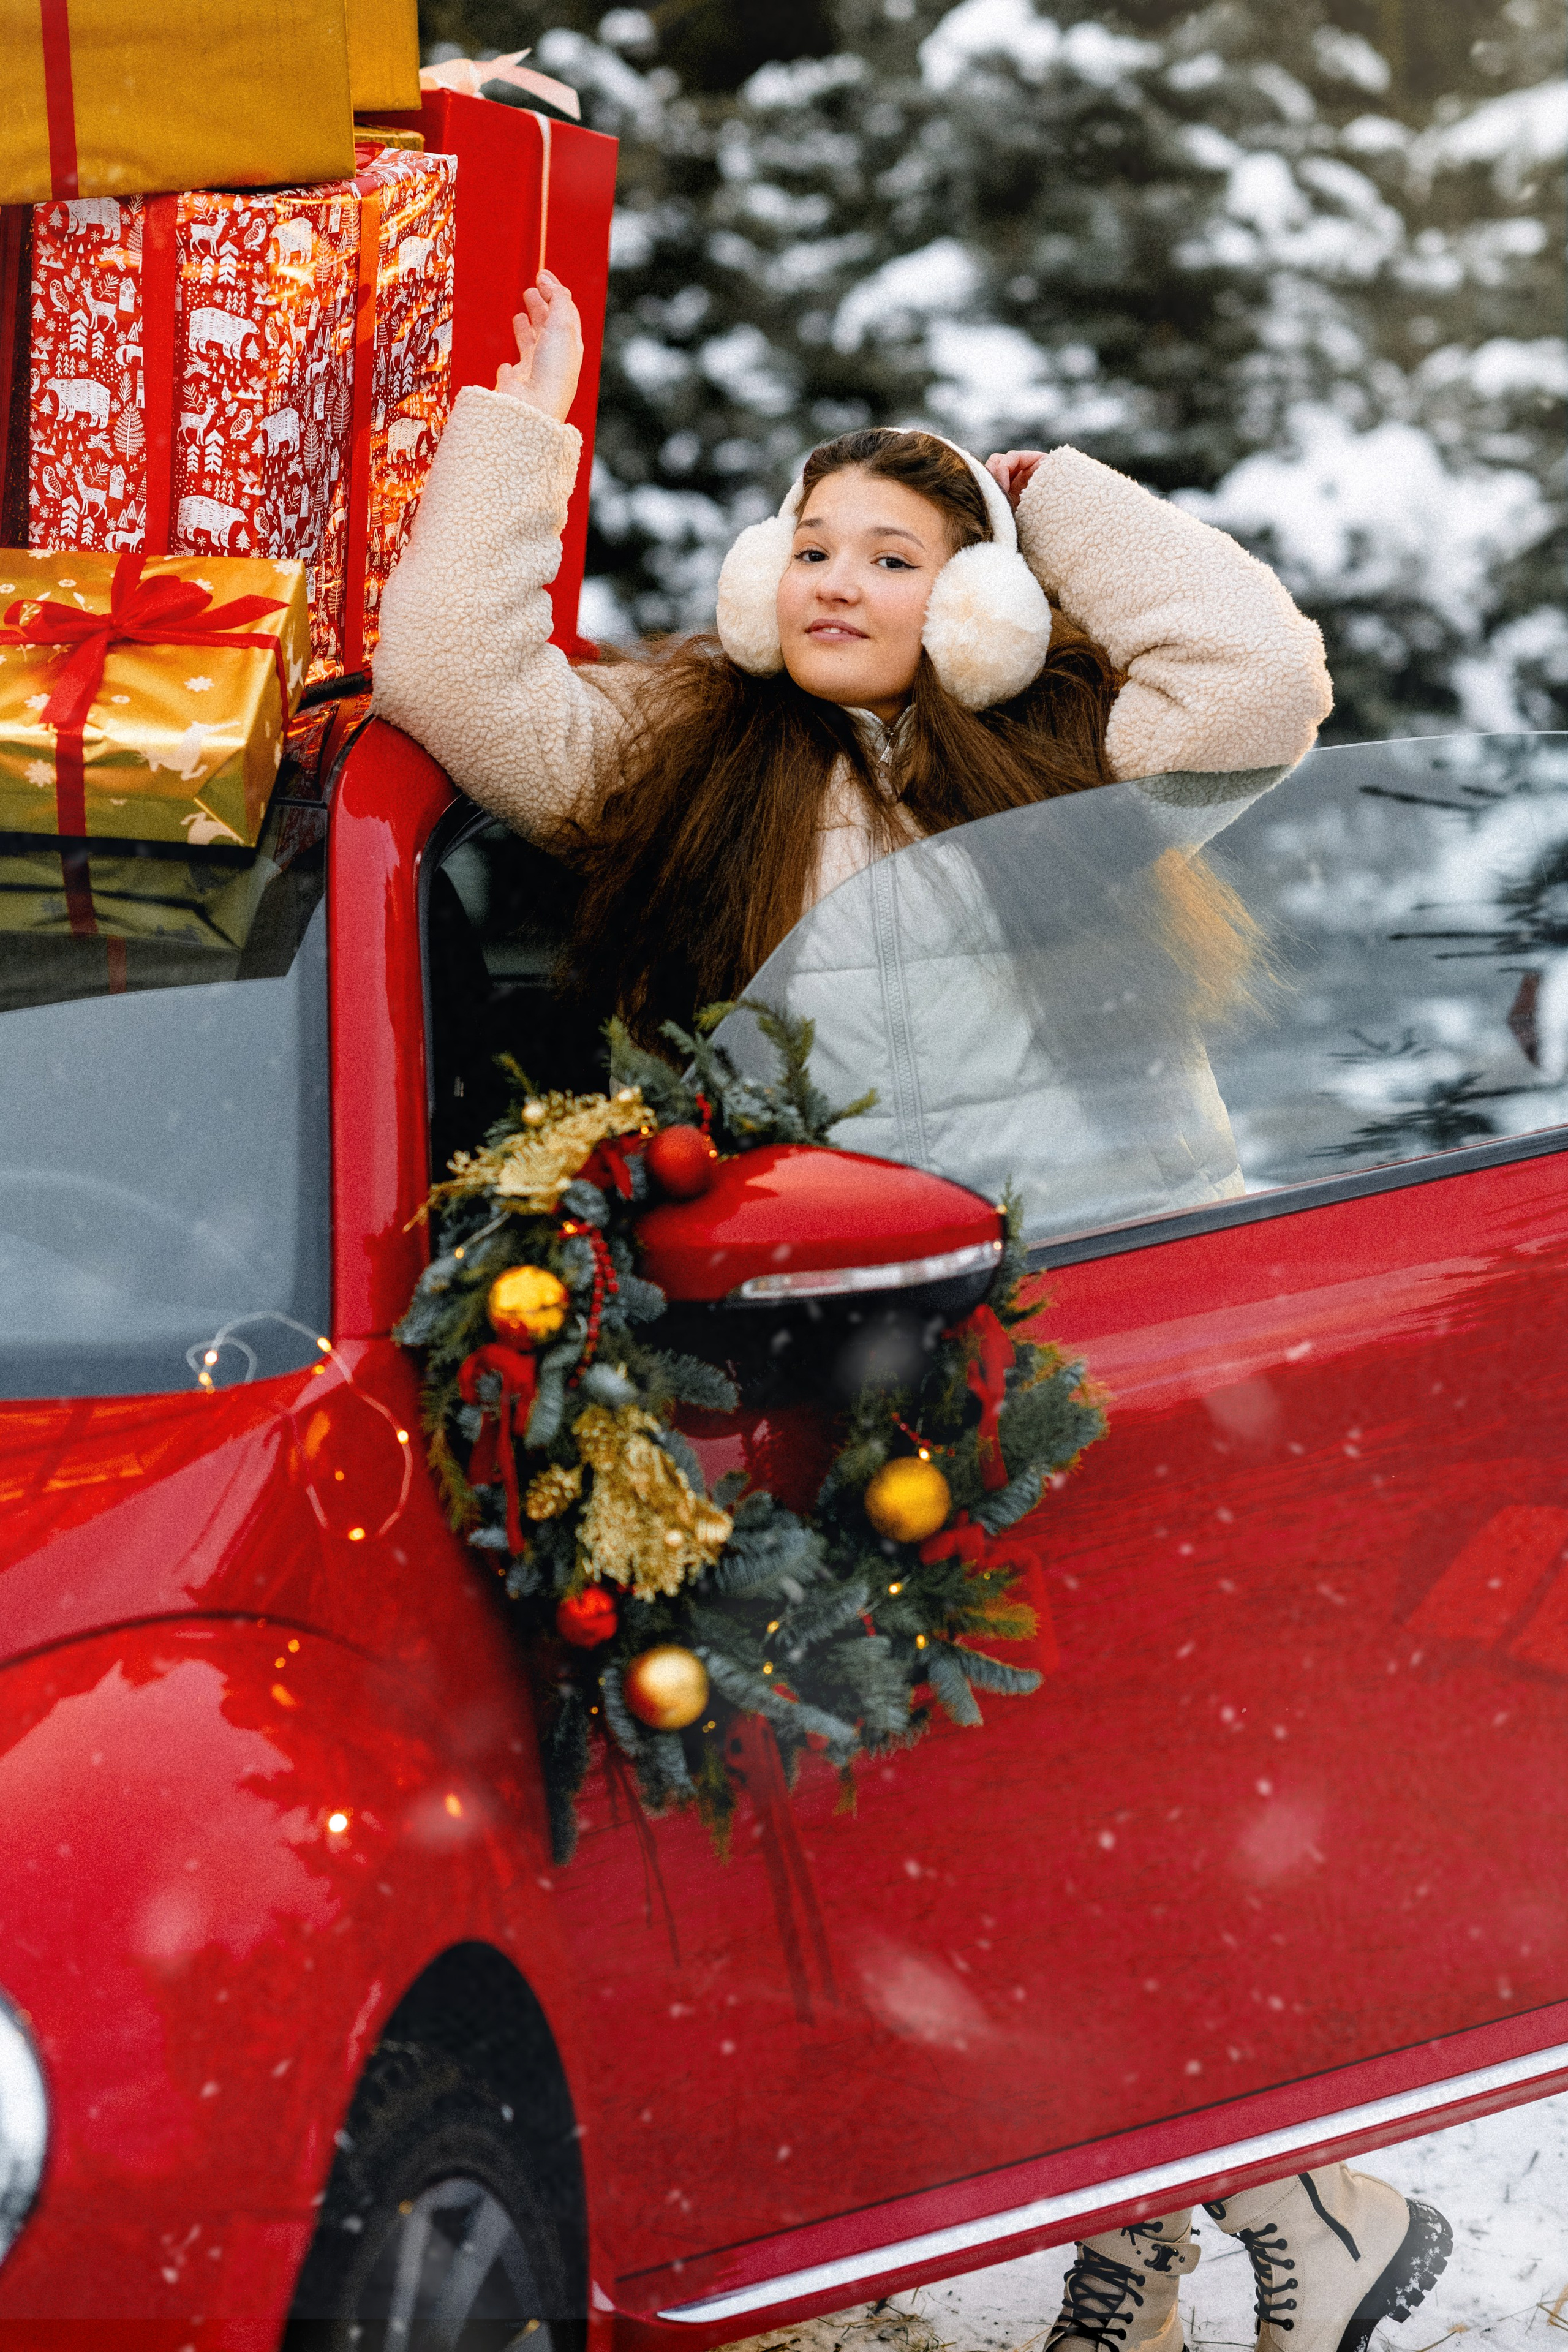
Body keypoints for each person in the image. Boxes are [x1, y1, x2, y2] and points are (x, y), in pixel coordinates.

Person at [371, 273, 1452, 2352]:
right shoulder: (685, 765)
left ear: (979, 609)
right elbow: (456, 670)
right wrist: (519, 424)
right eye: (818, 545)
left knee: (1129, 1810)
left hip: (1115, 1343)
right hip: (849, 1369)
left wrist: (1043, 497)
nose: (846, 577)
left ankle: (1265, 2210)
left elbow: (1261, 673)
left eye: (904, 556)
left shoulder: (1074, 771)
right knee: (994, 1834)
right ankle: (1236, 2206)